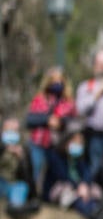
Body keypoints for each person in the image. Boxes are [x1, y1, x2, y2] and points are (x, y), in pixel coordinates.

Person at [44, 130, 103, 219]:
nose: (78, 145)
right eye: (75, 142)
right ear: (66, 142)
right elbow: (62, 176)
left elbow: (87, 174)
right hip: (61, 188)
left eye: (80, 143)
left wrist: (84, 185)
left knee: (94, 189)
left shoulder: (79, 159)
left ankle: (98, 209)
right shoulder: (55, 157)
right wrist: (78, 186)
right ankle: (92, 213)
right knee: (70, 193)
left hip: (80, 189)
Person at [25, 66, 76, 194]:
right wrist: (47, 120)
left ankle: (48, 194)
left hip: (57, 145)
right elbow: (30, 119)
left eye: (59, 81)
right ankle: (32, 195)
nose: (56, 84)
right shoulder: (40, 99)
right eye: (53, 81)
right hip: (38, 142)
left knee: (56, 172)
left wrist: (61, 122)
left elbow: (73, 121)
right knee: (36, 167)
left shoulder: (68, 102)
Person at [0, 117, 39, 214]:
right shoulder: (2, 147)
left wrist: (23, 159)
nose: (12, 133)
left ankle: (16, 207)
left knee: (21, 187)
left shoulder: (25, 150)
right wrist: (5, 148)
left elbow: (28, 177)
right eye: (9, 130)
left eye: (15, 131)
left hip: (13, 184)